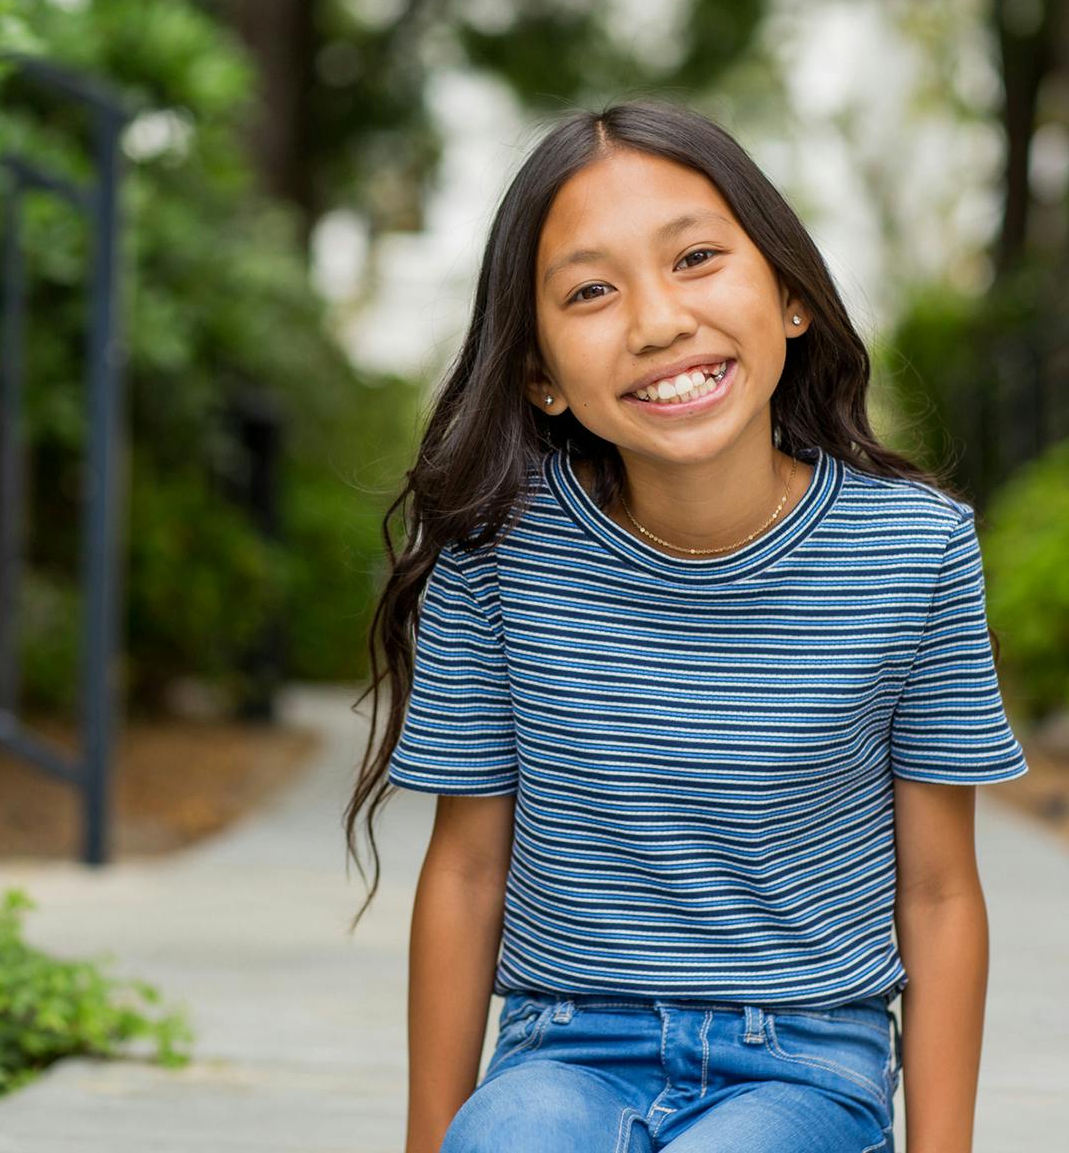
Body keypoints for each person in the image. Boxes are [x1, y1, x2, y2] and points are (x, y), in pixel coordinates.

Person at [341, 99, 1030, 1153]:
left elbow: (938, 893)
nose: (657, 320)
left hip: (807, 1064)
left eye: (697, 258)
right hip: (563, 1049)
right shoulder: (496, 563)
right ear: (540, 375)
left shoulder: (913, 550)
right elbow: (468, 870)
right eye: (590, 291)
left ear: (791, 295)